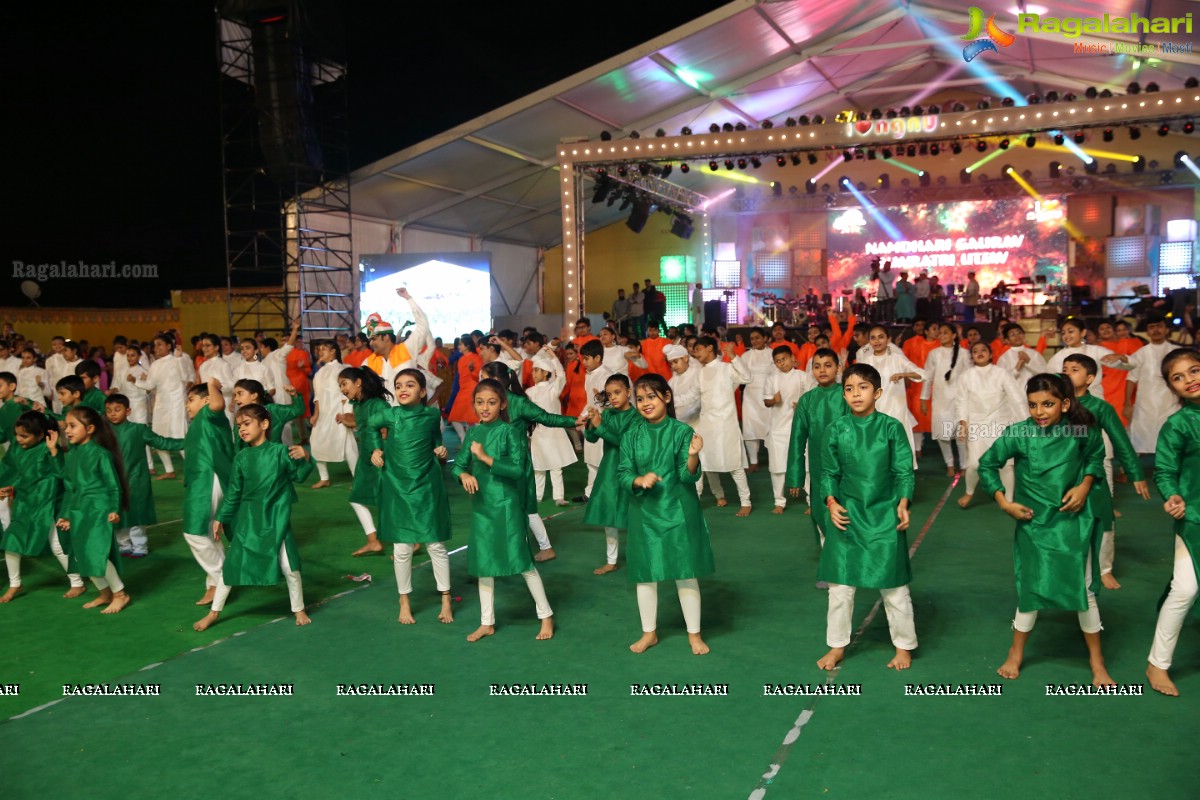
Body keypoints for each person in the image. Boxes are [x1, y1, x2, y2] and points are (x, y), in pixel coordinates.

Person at [979, 373, 1113, 686]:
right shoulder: (1019, 433)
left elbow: (1096, 456)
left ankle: (1097, 660)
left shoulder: (1080, 430)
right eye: (1033, 405)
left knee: (1083, 588)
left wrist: (1084, 486)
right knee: (1031, 589)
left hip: (1073, 521)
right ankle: (1016, 652)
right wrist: (1004, 502)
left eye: (1048, 404)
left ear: (1065, 404)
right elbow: (987, 464)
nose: (1039, 412)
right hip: (1033, 524)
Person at [817, 363, 917, 671]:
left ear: (878, 393)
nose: (855, 394)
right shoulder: (836, 429)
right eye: (849, 388)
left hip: (885, 515)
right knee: (840, 589)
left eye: (862, 387)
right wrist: (831, 502)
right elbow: (829, 473)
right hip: (846, 517)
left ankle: (904, 646)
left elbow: (903, 471)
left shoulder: (891, 428)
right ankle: (836, 647)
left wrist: (903, 502)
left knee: (894, 588)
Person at [193, 404, 313, 631]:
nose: (242, 430)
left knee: (290, 566)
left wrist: (305, 457)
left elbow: (298, 476)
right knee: (232, 567)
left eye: (247, 424)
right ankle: (213, 614)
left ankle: (299, 609)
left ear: (264, 424)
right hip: (248, 521)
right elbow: (234, 493)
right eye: (239, 426)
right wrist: (220, 518)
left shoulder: (279, 452)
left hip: (276, 519)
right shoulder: (241, 457)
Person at [617, 373, 712, 655]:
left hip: (679, 512)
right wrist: (638, 480)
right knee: (645, 574)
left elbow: (687, 475)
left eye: (651, 397)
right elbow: (623, 473)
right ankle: (650, 633)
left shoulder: (681, 432)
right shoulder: (631, 435)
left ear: (667, 397)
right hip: (645, 515)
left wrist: (693, 455)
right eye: (640, 399)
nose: (645, 403)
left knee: (685, 572)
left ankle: (694, 634)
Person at [453, 379, 554, 642]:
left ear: (503, 404)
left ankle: (545, 615)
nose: (485, 408)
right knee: (484, 565)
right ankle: (486, 622)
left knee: (523, 563)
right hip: (482, 508)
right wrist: (463, 475)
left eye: (491, 402)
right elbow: (458, 465)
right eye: (480, 402)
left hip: (507, 507)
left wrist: (486, 459)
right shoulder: (473, 433)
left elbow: (518, 471)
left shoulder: (510, 432)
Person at [368, 369, 453, 625]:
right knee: (402, 547)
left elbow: (436, 441)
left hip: (427, 484)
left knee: (435, 544)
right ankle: (404, 600)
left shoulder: (431, 414)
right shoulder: (390, 414)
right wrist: (376, 449)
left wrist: (440, 452)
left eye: (410, 385)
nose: (403, 389)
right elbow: (370, 426)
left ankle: (446, 598)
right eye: (399, 385)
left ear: (423, 391)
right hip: (397, 485)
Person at [1061, 354, 1151, 590]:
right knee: (1061, 520)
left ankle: (1104, 569)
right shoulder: (1055, 405)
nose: (1067, 373)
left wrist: (1135, 473)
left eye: (1074, 369)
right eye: (1065, 369)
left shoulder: (1100, 407)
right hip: (1060, 475)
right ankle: (1066, 566)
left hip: (1093, 475)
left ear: (1089, 378)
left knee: (1104, 521)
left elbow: (1120, 441)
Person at [482, 360, 577, 562]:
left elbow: (546, 418)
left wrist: (574, 421)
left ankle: (537, 547)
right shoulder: (489, 402)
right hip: (497, 462)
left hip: (515, 463)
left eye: (483, 378)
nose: (480, 383)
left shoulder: (518, 402)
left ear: (496, 380)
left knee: (522, 506)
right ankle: (520, 547)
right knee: (509, 506)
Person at [1145, 348, 1200, 696]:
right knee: (1186, 589)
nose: (1189, 380)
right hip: (1194, 517)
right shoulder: (1178, 424)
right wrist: (1173, 496)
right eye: (1178, 378)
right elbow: (1165, 471)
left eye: (1194, 370)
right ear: (1172, 388)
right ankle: (1157, 664)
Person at [53, 406, 132, 613]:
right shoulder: (71, 455)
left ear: (89, 429)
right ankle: (104, 592)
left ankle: (120, 594)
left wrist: (114, 508)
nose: (67, 431)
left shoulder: (100, 454)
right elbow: (69, 488)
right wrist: (66, 514)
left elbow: (114, 485)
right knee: (82, 554)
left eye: (72, 426)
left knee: (96, 554)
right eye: (66, 426)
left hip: (100, 509)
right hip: (79, 510)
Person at [0, 411, 83, 601]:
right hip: (24, 503)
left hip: (47, 503)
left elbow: (62, 473)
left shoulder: (49, 449)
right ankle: (15, 584)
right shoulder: (20, 451)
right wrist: (12, 488)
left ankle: (77, 582)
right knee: (12, 542)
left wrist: (54, 451)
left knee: (57, 544)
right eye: (17, 435)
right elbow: (25, 476)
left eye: (24, 436)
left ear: (40, 435)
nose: (19, 440)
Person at [787, 348, 850, 584]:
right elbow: (796, 440)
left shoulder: (845, 396)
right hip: (818, 471)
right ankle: (830, 568)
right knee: (821, 515)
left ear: (838, 368)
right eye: (817, 366)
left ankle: (848, 563)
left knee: (847, 514)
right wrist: (794, 477)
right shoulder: (807, 400)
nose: (822, 370)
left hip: (847, 470)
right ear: (811, 370)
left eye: (827, 365)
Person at [176, 378, 235, 605]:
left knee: (194, 532)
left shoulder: (210, 414)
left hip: (209, 479)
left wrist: (212, 384)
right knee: (211, 533)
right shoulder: (201, 422)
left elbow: (218, 405)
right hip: (203, 480)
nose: (187, 405)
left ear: (206, 400)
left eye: (191, 400)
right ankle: (213, 584)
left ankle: (223, 577)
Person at [954, 342, 1026, 508]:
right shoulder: (966, 376)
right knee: (973, 464)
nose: (979, 353)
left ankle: (1008, 500)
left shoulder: (1002, 373)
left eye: (983, 350)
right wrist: (963, 423)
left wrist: (1025, 423)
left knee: (1006, 465)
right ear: (971, 356)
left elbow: (1016, 398)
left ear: (991, 354)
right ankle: (969, 492)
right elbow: (961, 402)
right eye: (975, 351)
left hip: (1001, 424)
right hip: (976, 425)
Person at [105, 394, 178, 558]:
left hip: (136, 479)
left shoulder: (138, 430)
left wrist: (189, 441)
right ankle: (123, 544)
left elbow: (162, 442)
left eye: (117, 410)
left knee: (136, 512)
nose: (113, 414)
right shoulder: (104, 432)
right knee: (117, 512)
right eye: (109, 410)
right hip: (113, 481)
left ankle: (140, 545)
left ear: (128, 411)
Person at [582, 373, 638, 575]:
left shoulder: (637, 416)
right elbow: (590, 438)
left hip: (632, 471)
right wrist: (591, 421)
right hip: (608, 471)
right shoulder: (607, 414)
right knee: (610, 516)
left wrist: (600, 426)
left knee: (635, 514)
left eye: (617, 392)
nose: (613, 397)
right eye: (609, 394)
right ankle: (611, 560)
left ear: (629, 392)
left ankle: (640, 555)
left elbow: (625, 443)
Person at [693, 337, 752, 514]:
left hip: (726, 424)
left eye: (698, 349)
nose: (696, 354)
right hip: (706, 424)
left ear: (710, 348)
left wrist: (733, 356)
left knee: (734, 463)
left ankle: (746, 502)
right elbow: (692, 397)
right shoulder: (700, 373)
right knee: (705, 462)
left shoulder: (726, 368)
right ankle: (714, 496)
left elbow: (747, 377)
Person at [336, 366, 390, 557]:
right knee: (357, 498)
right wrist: (346, 420)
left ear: (358, 382)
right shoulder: (358, 405)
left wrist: (381, 450)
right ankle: (373, 541)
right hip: (365, 458)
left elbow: (390, 429)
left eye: (344, 383)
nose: (342, 388)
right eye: (340, 385)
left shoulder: (377, 404)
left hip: (382, 458)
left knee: (389, 499)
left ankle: (412, 540)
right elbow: (363, 425)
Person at [854, 326, 924, 468]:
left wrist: (903, 374)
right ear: (869, 341)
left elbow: (922, 374)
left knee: (898, 450)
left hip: (896, 410)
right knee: (877, 453)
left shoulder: (897, 357)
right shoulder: (866, 360)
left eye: (881, 337)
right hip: (875, 410)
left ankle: (902, 484)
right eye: (873, 338)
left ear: (888, 339)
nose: (877, 341)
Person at [131, 332, 192, 479]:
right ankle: (169, 470)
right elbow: (150, 385)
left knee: (178, 436)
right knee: (158, 437)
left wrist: (178, 359)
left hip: (176, 403)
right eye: (154, 345)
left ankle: (192, 470)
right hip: (161, 404)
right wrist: (136, 381)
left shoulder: (179, 359)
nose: (156, 348)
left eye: (160, 344)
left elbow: (185, 377)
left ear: (169, 346)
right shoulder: (155, 364)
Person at [763, 345, 813, 514]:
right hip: (778, 428)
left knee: (805, 465)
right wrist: (773, 401)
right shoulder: (772, 379)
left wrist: (802, 405)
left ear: (792, 358)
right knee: (777, 466)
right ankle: (779, 501)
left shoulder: (803, 376)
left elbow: (812, 398)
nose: (781, 363)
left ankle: (810, 500)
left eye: (784, 359)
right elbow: (766, 401)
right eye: (777, 361)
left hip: (801, 427)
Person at [526, 352, 575, 507]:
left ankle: (558, 496)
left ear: (545, 372)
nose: (533, 374)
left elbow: (561, 376)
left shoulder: (554, 389)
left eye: (536, 370)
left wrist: (554, 357)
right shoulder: (529, 392)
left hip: (554, 432)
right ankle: (537, 495)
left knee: (556, 465)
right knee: (538, 467)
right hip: (538, 432)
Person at [1123, 315, 1177, 454]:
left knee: (1171, 439)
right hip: (1145, 404)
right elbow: (1131, 379)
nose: (1156, 330)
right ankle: (1131, 472)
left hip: (1172, 403)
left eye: (1159, 326)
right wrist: (1128, 404)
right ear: (1147, 332)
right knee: (1138, 437)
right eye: (1151, 327)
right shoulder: (1140, 353)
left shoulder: (1176, 352)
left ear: (1166, 329)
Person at [920, 324, 969, 476]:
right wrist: (923, 398)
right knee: (943, 434)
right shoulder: (934, 353)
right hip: (940, 399)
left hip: (960, 399)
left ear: (954, 335)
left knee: (961, 433)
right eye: (940, 333)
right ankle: (949, 464)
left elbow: (970, 377)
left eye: (945, 333)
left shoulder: (964, 353)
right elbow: (928, 377)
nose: (941, 335)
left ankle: (964, 464)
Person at [308, 339, 353, 489]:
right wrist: (315, 414)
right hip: (324, 414)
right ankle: (324, 477)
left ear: (333, 351)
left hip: (338, 412)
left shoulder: (344, 368)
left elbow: (348, 393)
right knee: (315, 442)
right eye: (319, 350)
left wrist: (347, 414)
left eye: (324, 349)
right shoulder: (319, 372)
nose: (320, 352)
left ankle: (359, 478)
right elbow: (318, 397)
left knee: (347, 445)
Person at [1045, 317, 1119, 400]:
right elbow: (1051, 382)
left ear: (1083, 333)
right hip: (1071, 400)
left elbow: (1123, 363)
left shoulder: (1096, 350)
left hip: (1095, 399)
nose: (1066, 336)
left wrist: (1121, 358)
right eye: (1063, 333)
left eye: (1070, 331)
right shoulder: (1058, 357)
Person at [576, 339, 612, 502]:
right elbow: (591, 401)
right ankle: (590, 493)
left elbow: (612, 402)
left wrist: (600, 400)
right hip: (592, 420)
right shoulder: (589, 375)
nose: (584, 362)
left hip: (604, 423)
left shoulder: (607, 375)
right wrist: (583, 416)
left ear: (598, 358)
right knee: (591, 459)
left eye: (587, 358)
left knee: (602, 459)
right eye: (583, 359)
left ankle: (604, 493)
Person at [739, 328, 774, 474]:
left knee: (771, 428)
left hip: (768, 396)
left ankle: (774, 459)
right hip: (750, 397)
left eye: (757, 338)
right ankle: (753, 461)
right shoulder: (746, 356)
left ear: (765, 338)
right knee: (750, 429)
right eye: (752, 338)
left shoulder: (772, 354)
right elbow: (739, 374)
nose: (754, 341)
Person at [447, 337, 482, 443]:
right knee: (454, 417)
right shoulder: (461, 359)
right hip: (463, 389)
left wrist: (471, 369)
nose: (459, 347)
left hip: (473, 389)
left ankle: (476, 440)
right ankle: (464, 437)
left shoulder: (476, 358)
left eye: (461, 344)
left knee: (474, 418)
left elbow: (478, 376)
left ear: (467, 346)